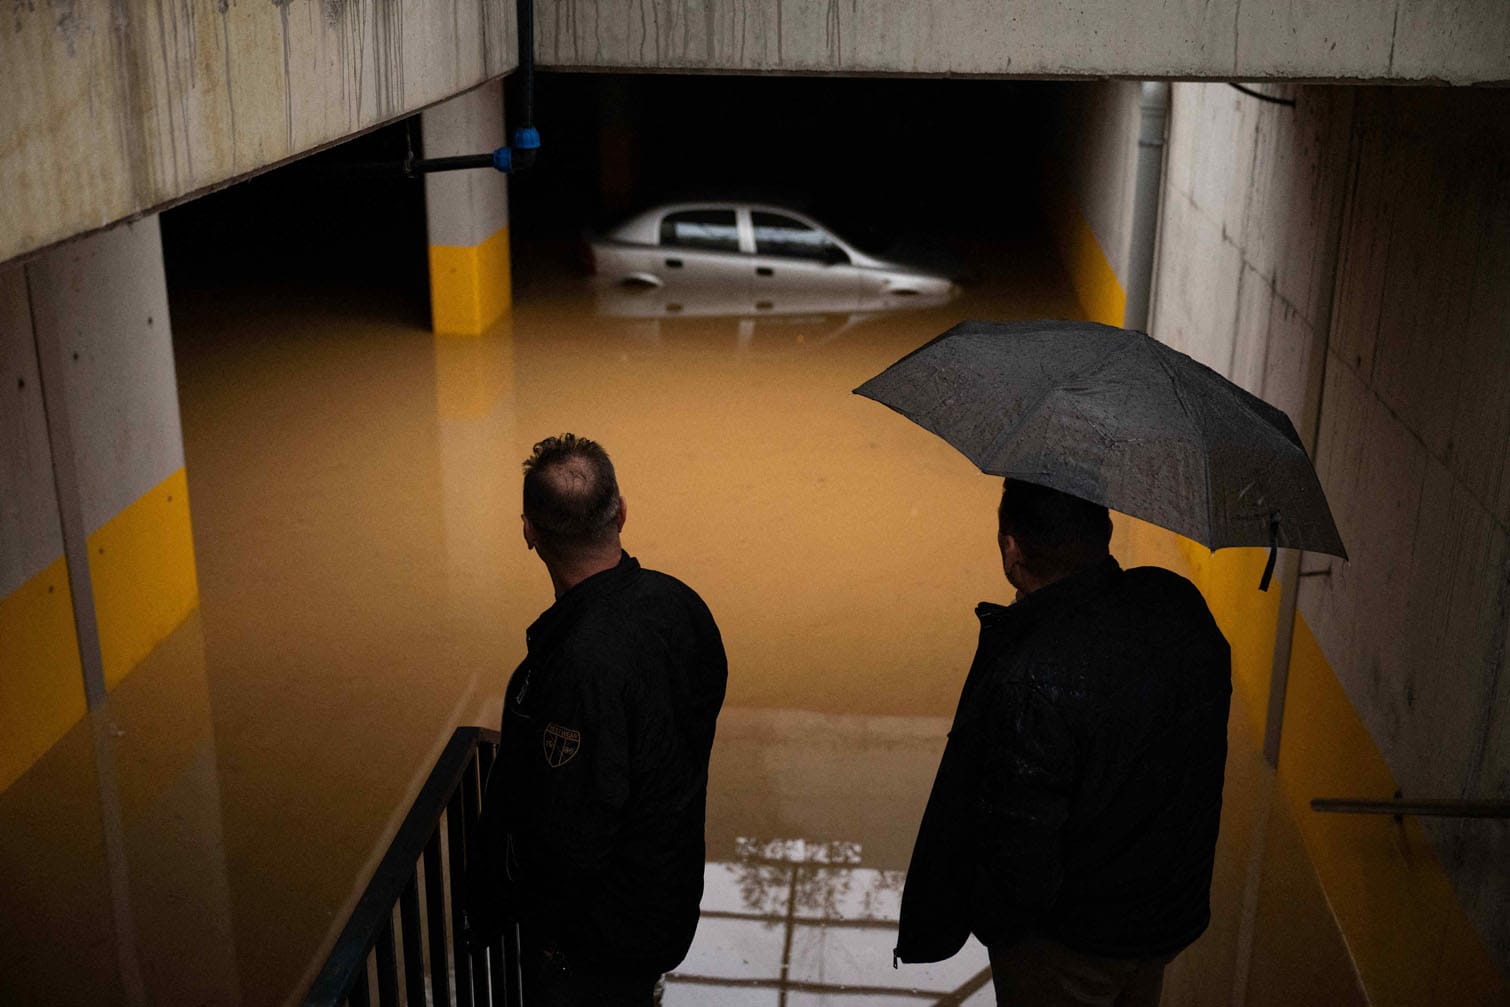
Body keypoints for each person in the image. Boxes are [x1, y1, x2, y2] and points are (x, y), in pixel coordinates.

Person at [895, 478, 1231, 1006]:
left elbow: (1020, 869)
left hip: (1071, 943)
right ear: (1106, 531)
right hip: (1165, 920)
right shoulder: (1179, 605)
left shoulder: (1031, 678)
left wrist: (989, 923)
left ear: (1012, 549)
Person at [471, 433, 728, 1006]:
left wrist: (525, 913)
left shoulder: (580, 665)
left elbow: (575, 829)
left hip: (596, 942)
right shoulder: (681, 605)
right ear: (622, 513)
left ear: (529, 532)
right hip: (666, 893)